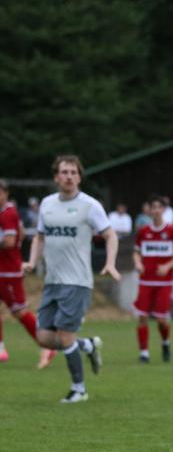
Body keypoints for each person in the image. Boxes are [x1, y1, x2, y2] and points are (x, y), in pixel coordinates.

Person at [22, 156, 120, 403]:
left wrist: (109, 262)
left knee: (65, 336)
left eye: (73, 172)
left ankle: (79, 389)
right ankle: (86, 346)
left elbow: (110, 235)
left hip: (77, 281)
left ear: (79, 177)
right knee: (44, 338)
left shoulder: (90, 205)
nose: (69, 176)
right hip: (52, 281)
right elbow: (39, 238)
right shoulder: (47, 204)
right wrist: (32, 262)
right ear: (56, 177)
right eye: (64, 172)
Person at [0, 180, 55, 367]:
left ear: (6, 193)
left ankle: (47, 345)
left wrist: (13, 248)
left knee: (19, 312)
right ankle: (0, 349)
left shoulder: (8, 213)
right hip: (3, 269)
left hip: (9, 272)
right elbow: (21, 233)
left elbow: (9, 241)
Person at [133, 195, 173, 363]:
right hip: (145, 281)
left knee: (162, 320)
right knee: (142, 317)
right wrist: (138, 263)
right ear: (149, 210)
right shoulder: (143, 231)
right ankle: (144, 353)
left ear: (163, 210)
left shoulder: (172, 231)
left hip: (164, 282)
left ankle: (165, 342)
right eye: (152, 207)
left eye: (158, 207)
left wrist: (167, 266)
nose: (155, 210)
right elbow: (136, 252)